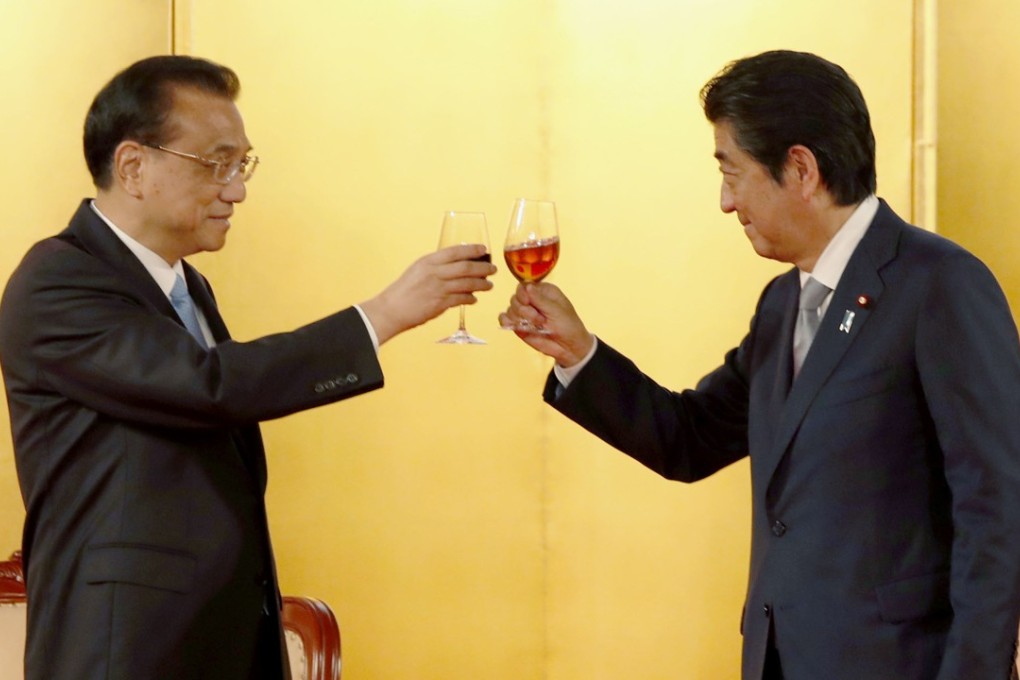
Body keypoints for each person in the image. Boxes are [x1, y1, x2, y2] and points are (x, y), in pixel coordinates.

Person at [500, 50, 1020, 679]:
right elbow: (688, 439)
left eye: (733, 172)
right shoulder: (781, 302)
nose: (725, 201)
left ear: (800, 168)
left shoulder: (941, 286)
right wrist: (577, 352)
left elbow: (999, 513)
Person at [0, 55, 495, 679]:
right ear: (133, 166)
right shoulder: (57, 282)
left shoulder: (187, 287)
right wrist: (384, 314)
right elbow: (211, 386)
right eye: (217, 164)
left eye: (242, 165)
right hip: (123, 653)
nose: (236, 189)